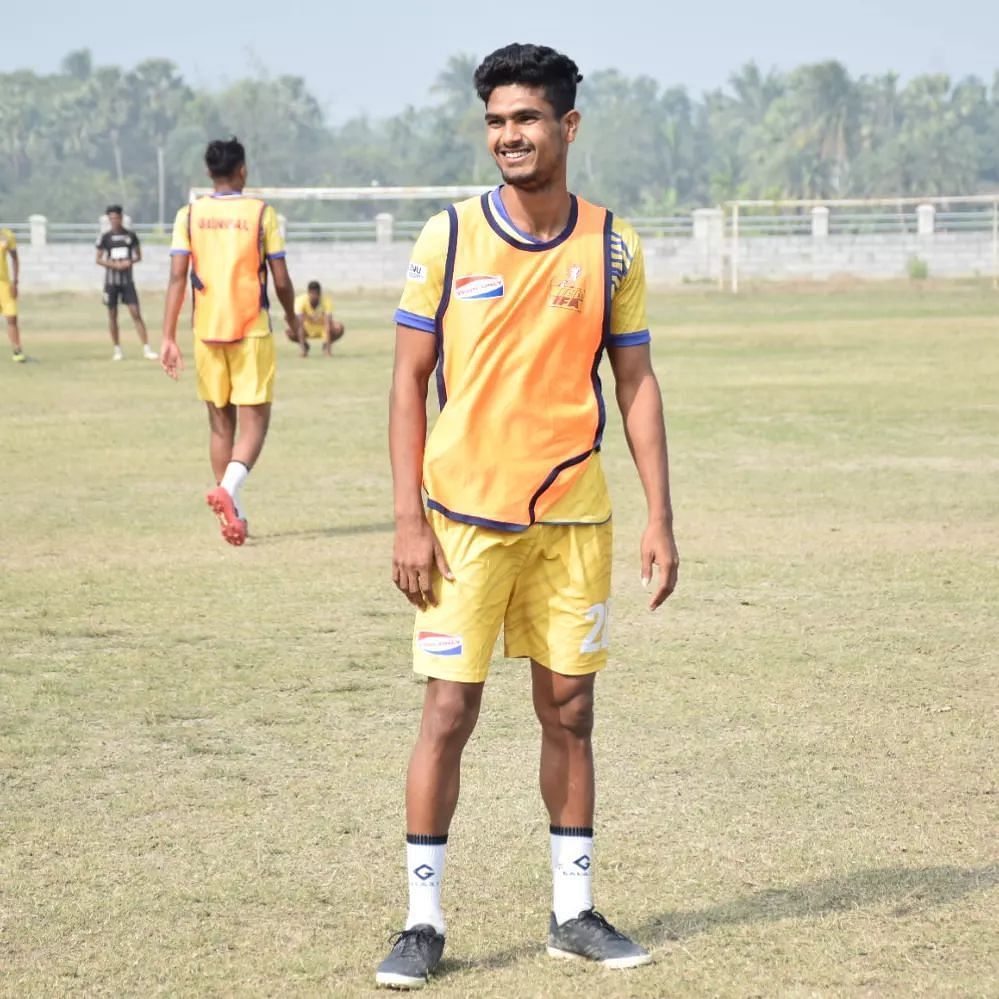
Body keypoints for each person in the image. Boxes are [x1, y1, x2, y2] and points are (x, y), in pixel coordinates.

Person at [376, 43, 680, 989]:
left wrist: (659, 517)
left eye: (526, 119)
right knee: (447, 710)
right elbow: (407, 382)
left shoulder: (611, 243)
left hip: (574, 523)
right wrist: (406, 519)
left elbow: (634, 382)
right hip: (462, 518)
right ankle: (422, 922)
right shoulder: (449, 237)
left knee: (572, 710)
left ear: (567, 127)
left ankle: (572, 911)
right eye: (496, 121)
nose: (508, 136)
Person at [160, 137, 297, 546]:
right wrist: (292, 319)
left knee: (221, 425)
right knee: (255, 423)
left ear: (209, 173)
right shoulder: (260, 213)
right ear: (243, 171)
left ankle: (231, 515)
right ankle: (228, 491)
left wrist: (167, 336)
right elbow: (282, 278)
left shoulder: (189, 214)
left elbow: (176, 277)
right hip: (250, 328)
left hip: (206, 331)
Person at [96, 206, 157, 361]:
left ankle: (147, 348)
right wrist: (113, 265)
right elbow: (98, 258)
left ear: (121, 218)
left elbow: (138, 256)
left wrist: (129, 262)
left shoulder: (130, 236)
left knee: (135, 313)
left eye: (116, 217)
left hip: (127, 282)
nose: (114, 221)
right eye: (111, 218)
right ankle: (117, 349)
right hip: (111, 283)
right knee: (112, 315)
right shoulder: (106, 237)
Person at [286, 280, 345, 357]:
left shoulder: (326, 301)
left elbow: (327, 324)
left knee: (339, 327)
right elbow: (299, 324)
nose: (314, 296)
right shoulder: (300, 301)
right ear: (308, 293)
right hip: (306, 328)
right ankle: (305, 346)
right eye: (312, 293)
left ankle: (325, 346)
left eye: (316, 294)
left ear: (320, 294)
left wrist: (328, 351)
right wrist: (303, 351)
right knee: (290, 331)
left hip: (322, 327)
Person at [0, 227, 25, 362]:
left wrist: (15, 282)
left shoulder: (6, 235)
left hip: (4, 285)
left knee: (11, 318)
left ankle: (17, 350)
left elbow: (15, 259)